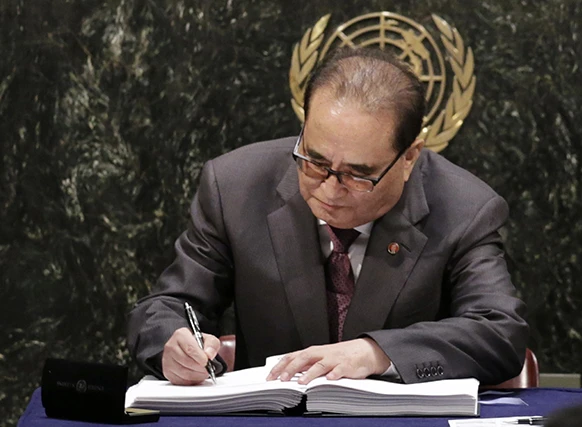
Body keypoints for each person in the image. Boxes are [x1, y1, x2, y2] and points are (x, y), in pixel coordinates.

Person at [127, 47, 528, 386]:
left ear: (409, 157)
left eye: (357, 174)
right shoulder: (234, 187)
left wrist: (376, 352)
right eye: (315, 162)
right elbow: (169, 304)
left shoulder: (464, 208)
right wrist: (172, 343)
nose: (329, 189)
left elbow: (499, 331)